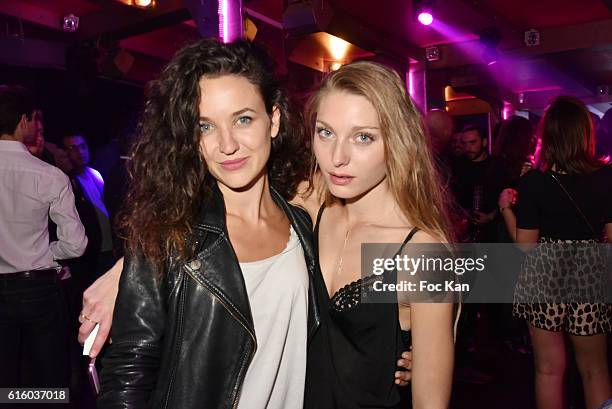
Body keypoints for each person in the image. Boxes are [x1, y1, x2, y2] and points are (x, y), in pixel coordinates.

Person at [300, 61, 454, 408]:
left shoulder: (421, 252)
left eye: (363, 137)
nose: (337, 157)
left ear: (398, 141)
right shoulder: (308, 204)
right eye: (325, 132)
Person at [499, 95, 611, 409]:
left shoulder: (534, 182)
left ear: (547, 136)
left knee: (549, 369)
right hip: (590, 271)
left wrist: (507, 210)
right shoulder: (606, 178)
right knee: (595, 368)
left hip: (545, 273)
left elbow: (525, 247)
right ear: (584, 134)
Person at [0, 85, 87, 389]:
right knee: (50, 378)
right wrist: (44, 252)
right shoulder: (49, 175)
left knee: (5, 381)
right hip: (38, 287)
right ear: (23, 120)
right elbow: (76, 245)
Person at [62, 134, 115, 284]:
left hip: (108, 249)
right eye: (73, 148)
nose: (80, 152)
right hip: (90, 254)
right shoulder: (66, 180)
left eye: (82, 146)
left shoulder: (94, 173)